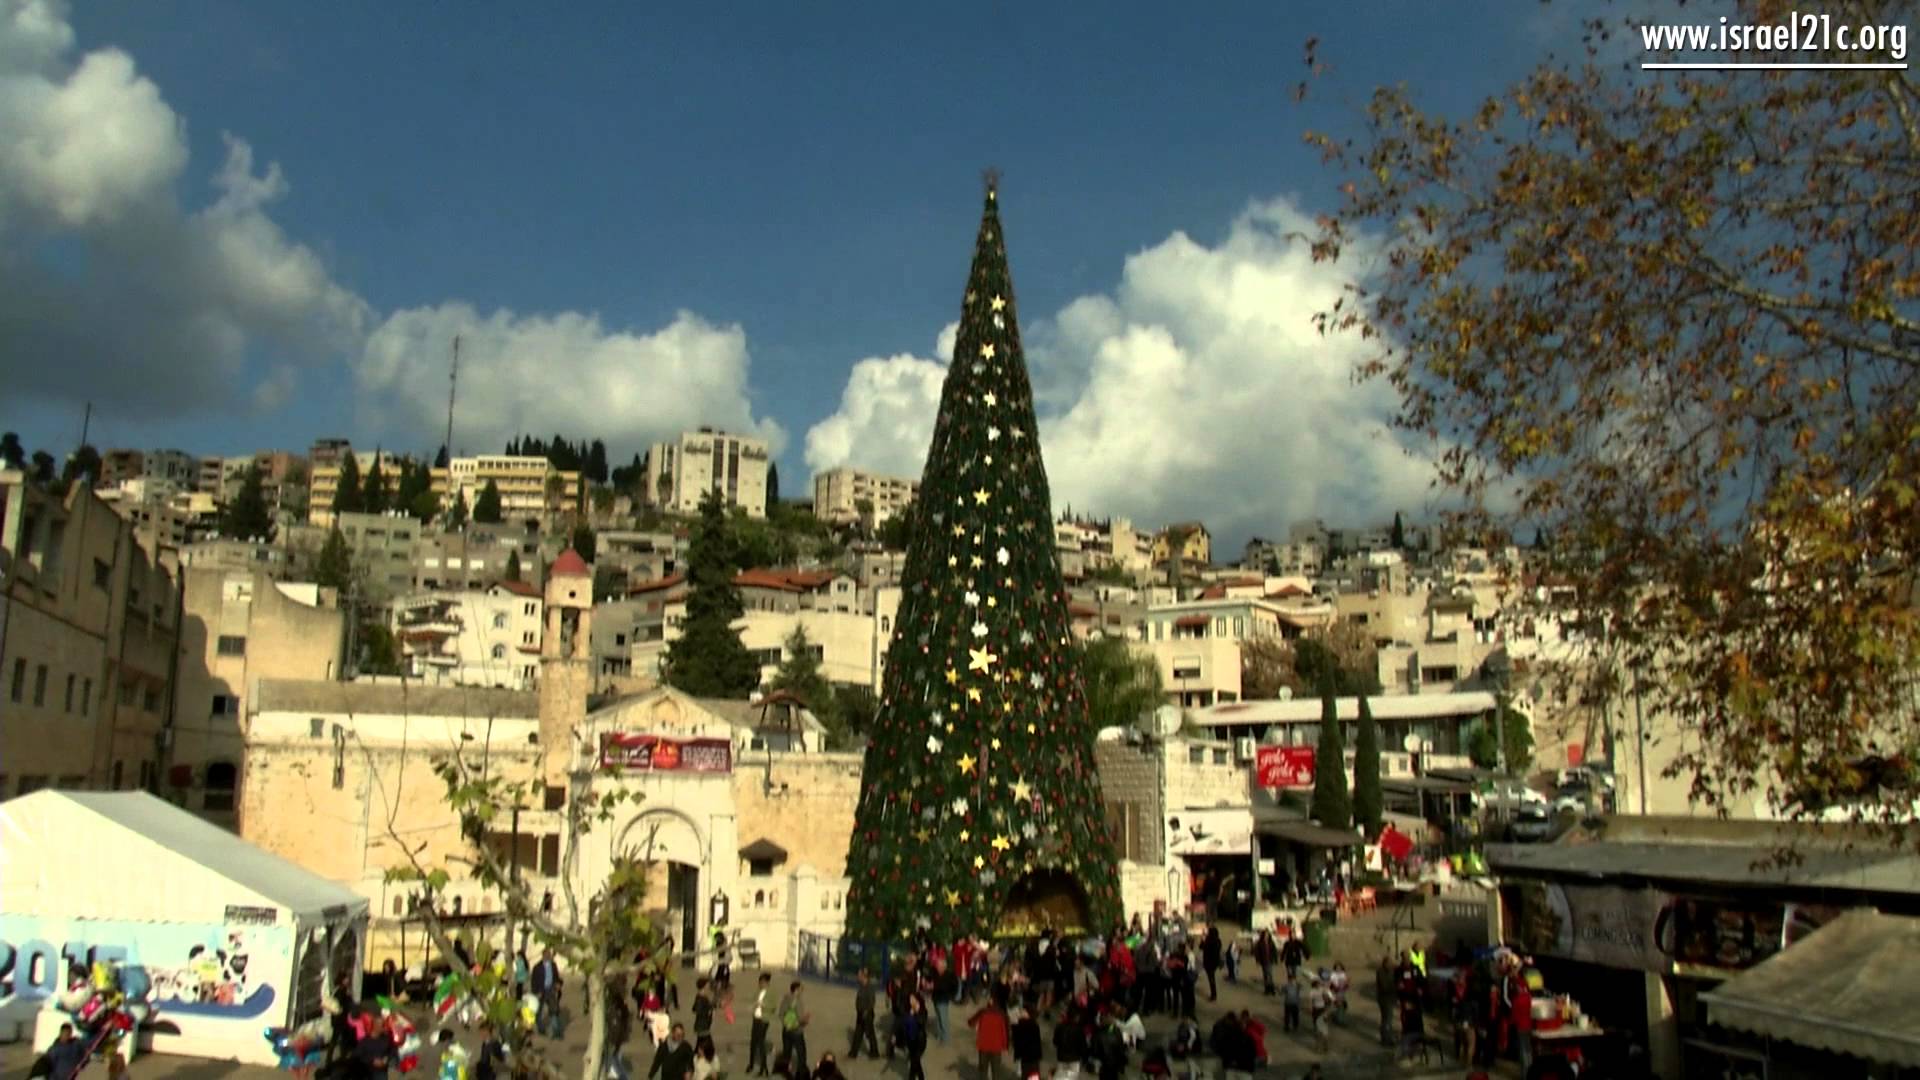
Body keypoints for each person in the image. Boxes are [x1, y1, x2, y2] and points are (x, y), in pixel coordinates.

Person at [967, 987, 1010, 1080]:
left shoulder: (983, 1012)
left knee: (983, 1070)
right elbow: (1006, 1031)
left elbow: (970, 1022)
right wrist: (1006, 1045)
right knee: (996, 1071)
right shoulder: (1003, 1015)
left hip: (984, 1044)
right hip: (996, 1046)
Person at [529, 949, 564, 1039]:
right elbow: (533, 981)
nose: (549, 956)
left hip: (551, 990)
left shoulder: (553, 965)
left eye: (550, 955)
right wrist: (536, 992)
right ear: (543, 956)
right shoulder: (537, 967)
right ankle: (541, 1029)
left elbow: (556, 977)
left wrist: (558, 984)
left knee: (554, 1010)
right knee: (539, 1011)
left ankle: (556, 1031)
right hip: (541, 991)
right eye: (547, 955)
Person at [777, 981, 809, 1071]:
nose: (802, 991)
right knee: (801, 1054)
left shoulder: (785, 999)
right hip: (796, 1031)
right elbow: (801, 1018)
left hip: (786, 1030)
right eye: (801, 989)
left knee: (786, 1053)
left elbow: (780, 1014)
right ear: (796, 990)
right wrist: (806, 1020)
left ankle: (784, 1072)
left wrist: (786, 1024)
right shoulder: (798, 1001)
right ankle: (801, 1074)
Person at [849, 968, 880, 1059]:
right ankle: (853, 1053)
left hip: (866, 1014)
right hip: (860, 1013)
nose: (857, 977)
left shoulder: (869, 987)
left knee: (870, 1034)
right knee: (858, 1033)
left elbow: (871, 1002)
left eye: (859, 975)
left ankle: (874, 1052)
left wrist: (866, 1013)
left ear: (864, 976)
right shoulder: (862, 986)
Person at [748, 972, 773, 1077]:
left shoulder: (772, 993)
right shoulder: (758, 991)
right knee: (753, 1042)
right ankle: (751, 1064)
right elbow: (754, 1000)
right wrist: (753, 1006)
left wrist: (763, 1005)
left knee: (760, 1042)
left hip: (764, 1020)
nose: (760, 984)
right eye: (760, 982)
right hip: (756, 1018)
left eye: (762, 982)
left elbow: (773, 1006)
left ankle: (763, 1067)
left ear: (767, 982)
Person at [901, 993, 929, 1080]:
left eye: (913, 999)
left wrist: (915, 1013)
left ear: (918, 1001)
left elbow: (921, 1022)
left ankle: (914, 1078)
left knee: (914, 1062)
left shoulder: (923, 1011)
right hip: (910, 1041)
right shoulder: (907, 1010)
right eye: (910, 999)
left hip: (920, 1041)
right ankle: (919, 1077)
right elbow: (904, 1024)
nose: (911, 1001)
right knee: (916, 1062)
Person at [1375, 955, 1398, 1047]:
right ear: (1385, 963)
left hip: (1391, 998)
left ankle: (1388, 1037)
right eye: (1389, 963)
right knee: (1386, 1020)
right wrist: (1396, 986)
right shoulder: (1380, 972)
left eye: (1391, 963)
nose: (1391, 964)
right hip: (1384, 999)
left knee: (1388, 1019)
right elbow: (1384, 986)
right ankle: (1385, 1039)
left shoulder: (1393, 971)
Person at [1200, 926, 1223, 1002]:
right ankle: (1213, 994)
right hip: (1215, 962)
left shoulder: (1209, 940)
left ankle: (1213, 994)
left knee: (1211, 978)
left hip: (1208, 962)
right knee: (1211, 977)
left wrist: (1203, 940)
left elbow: (1202, 947)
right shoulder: (1218, 941)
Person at [1251, 930, 1278, 996]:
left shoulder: (1271, 942)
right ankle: (1267, 989)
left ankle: (1271, 989)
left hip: (1270, 960)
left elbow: (1274, 951)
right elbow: (1257, 952)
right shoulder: (1260, 943)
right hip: (1264, 961)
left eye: (1268, 935)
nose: (1266, 936)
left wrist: (1275, 959)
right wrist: (1257, 960)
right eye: (1265, 935)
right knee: (1266, 975)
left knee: (1270, 975)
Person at [691, 978, 715, 1044]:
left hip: (705, 1024)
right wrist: (708, 1012)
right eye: (707, 984)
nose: (709, 986)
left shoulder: (703, 996)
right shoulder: (701, 997)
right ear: (704, 986)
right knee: (705, 1044)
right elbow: (697, 1010)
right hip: (702, 1025)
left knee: (701, 1043)